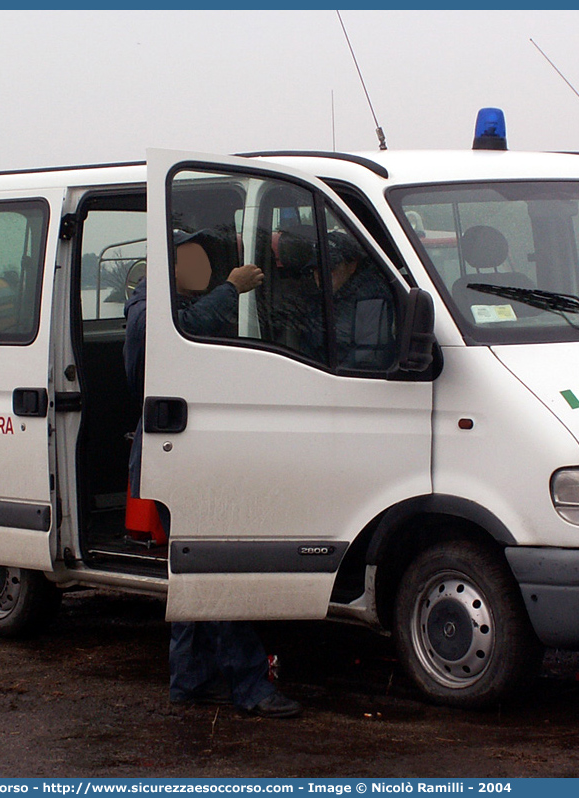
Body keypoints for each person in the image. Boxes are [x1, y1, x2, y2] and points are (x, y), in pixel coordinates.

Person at [123, 228, 302, 719]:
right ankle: (250, 687)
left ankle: (190, 681)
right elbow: (166, 340)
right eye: (192, 261)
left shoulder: (169, 303)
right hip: (175, 458)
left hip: (183, 455)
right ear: (169, 266)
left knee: (194, 575)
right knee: (218, 576)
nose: (200, 270)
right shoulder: (148, 310)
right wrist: (231, 288)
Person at [308, 230, 396, 370]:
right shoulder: (318, 297)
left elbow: (367, 356)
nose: (320, 274)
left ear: (351, 266)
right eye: (315, 269)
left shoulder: (371, 296)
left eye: (329, 268)